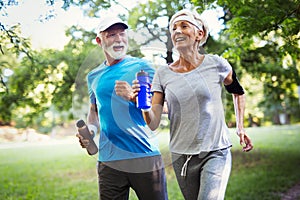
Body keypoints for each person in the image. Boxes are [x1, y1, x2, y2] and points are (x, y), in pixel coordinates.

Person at [133, 9, 253, 200]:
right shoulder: (162, 74)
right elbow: (153, 122)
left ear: (200, 34)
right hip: (182, 156)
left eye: (184, 26)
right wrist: (143, 104)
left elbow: (238, 92)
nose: (177, 31)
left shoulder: (217, 64)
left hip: (216, 150)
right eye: (173, 28)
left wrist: (240, 128)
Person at [76, 16, 168, 200]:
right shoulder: (93, 76)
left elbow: (165, 107)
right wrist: (91, 131)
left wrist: (135, 98)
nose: (119, 39)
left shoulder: (143, 67)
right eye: (111, 35)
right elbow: (94, 111)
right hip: (109, 161)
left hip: (144, 156)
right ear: (99, 40)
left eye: (122, 33)